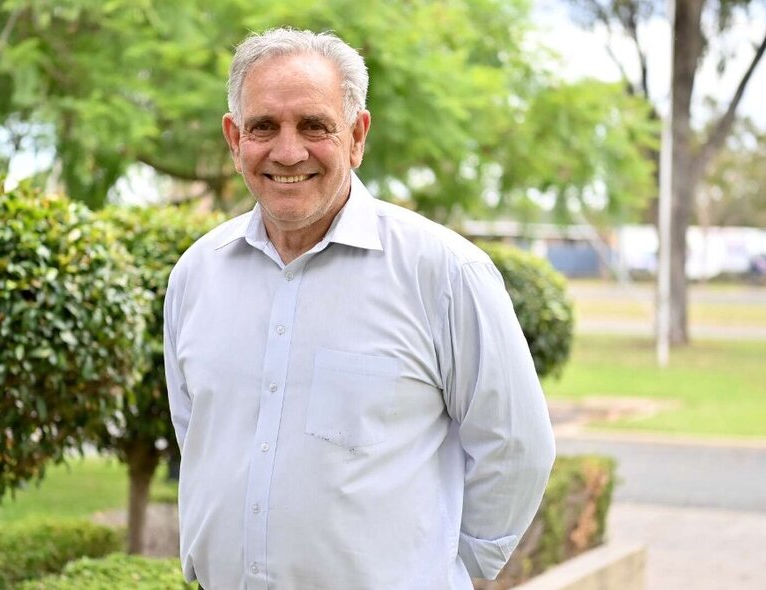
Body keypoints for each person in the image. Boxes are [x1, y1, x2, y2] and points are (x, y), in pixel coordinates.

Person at [164, 27, 555, 590]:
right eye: (264, 127)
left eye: (315, 126)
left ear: (357, 136)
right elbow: (196, 435)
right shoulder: (197, 274)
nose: (288, 151)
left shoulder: (443, 273)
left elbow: (517, 447)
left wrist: (446, 569)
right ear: (234, 138)